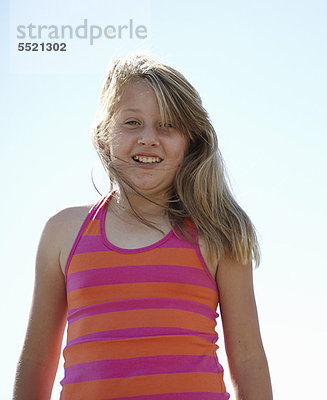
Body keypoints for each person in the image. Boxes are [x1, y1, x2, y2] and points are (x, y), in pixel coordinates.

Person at [13, 53, 272, 400]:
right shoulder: (63, 233)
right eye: (132, 122)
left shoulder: (218, 232)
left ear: (190, 144)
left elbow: (249, 359)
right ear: (106, 136)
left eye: (167, 125)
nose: (149, 138)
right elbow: (35, 361)